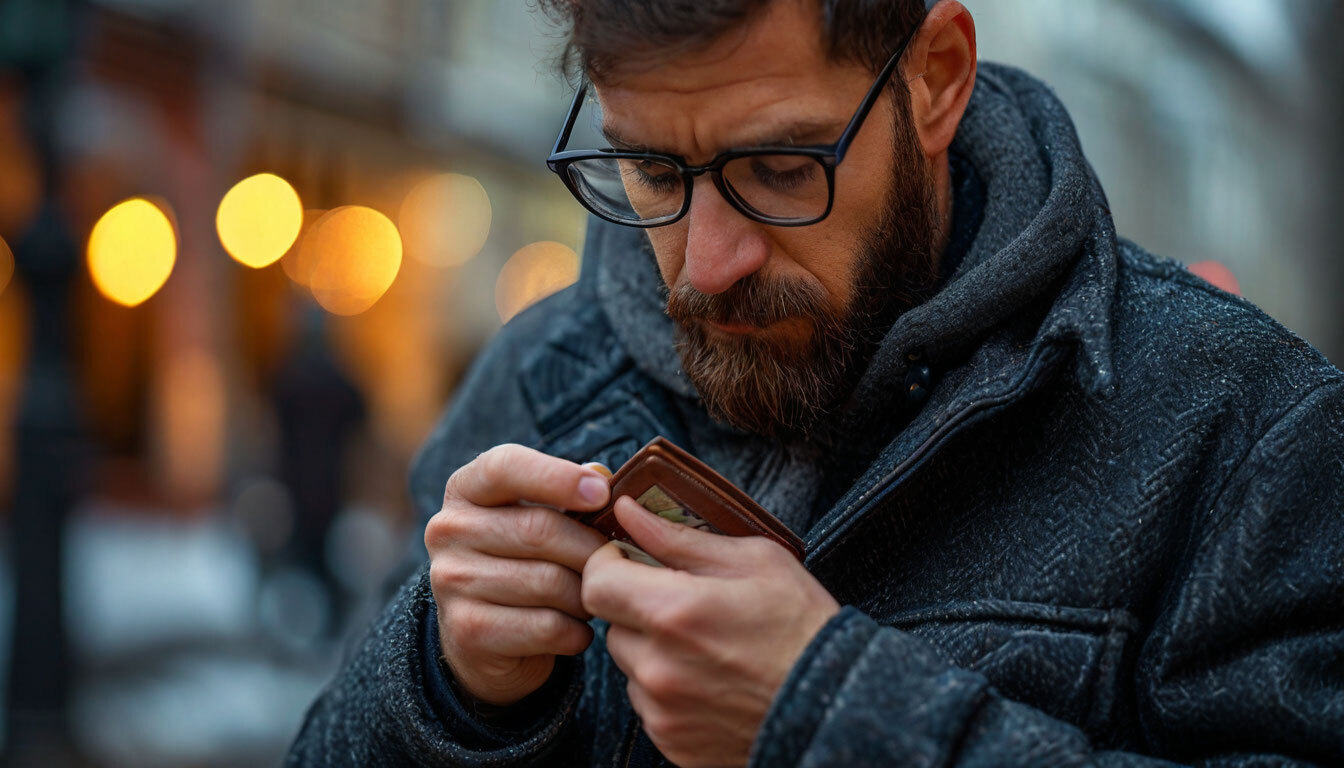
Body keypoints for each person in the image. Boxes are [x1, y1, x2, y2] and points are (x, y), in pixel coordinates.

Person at [287, 1, 1344, 765]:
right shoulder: (533, 378)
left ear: (935, 77)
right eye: (654, 171)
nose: (706, 266)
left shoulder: (1243, 425)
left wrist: (835, 713)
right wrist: (443, 687)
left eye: (780, 169)